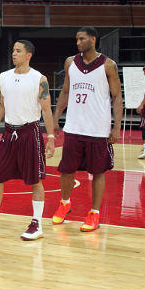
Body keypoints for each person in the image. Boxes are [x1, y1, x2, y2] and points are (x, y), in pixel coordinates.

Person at [0, 40, 55, 240]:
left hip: (30, 132)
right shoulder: (3, 77)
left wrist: (50, 137)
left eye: (18, 51)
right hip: (8, 133)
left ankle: (37, 224)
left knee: (35, 179)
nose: (14, 53)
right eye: (13, 50)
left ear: (28, 55)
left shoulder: (40, 79)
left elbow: (47, 110)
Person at [52, 26, 123, 232]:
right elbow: (65, 91)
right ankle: (65, 204)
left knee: (98, 171)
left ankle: (94, 213)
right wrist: (56, 118)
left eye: (82, 39)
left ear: (93, 39)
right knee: (66, 170)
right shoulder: (70, 62)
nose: (78, 43)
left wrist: (116, 127)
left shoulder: (108, 65)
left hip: (98, 129)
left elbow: (117, 97)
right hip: (74, 126)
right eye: (76, 39)